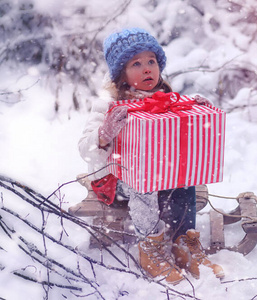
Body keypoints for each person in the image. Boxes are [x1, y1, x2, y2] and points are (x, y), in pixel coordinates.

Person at [78, 27, 223, 284]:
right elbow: (84, 149)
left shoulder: (166, 97)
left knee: (184, 177)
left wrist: (193, 110)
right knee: (140, 178)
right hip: (119, 180)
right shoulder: (109, 104)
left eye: (151, 61)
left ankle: (183, 241)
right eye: (136, 63)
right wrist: (105, 133)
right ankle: (149, 248)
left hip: (161, 174)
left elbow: (177, 137)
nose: (147, 69)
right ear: (120, 73)